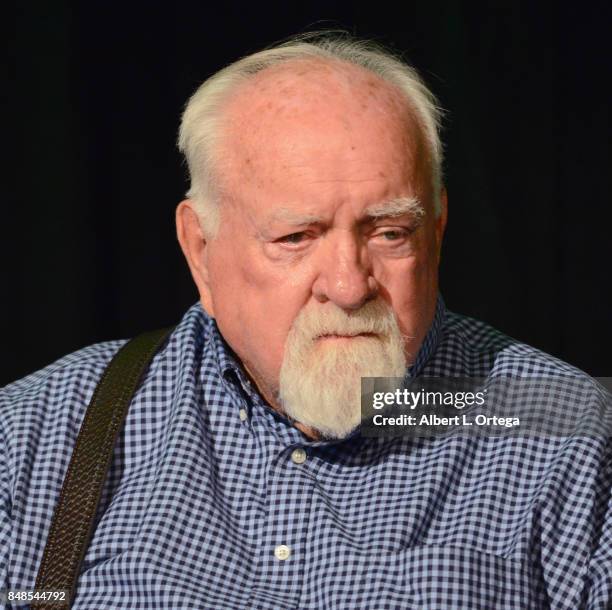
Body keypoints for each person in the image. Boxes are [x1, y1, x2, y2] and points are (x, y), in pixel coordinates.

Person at [1, 32, 610, 609]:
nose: (348, 286)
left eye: (391, 233)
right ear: (200, 250)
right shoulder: (37, 436)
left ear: (439, 232)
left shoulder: (570, 439)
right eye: (296, 236)